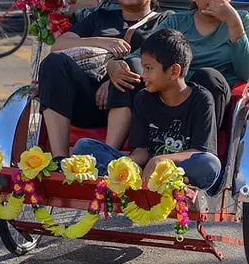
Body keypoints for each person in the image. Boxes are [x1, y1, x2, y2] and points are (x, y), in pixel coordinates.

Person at [108, 0, 249, 135]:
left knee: (207, 76)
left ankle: (197, 148)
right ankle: (118, 147)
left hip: (215, 101)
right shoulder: (177, 22)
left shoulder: (243, 21)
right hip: (170, 95)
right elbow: (142, 55)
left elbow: (248, 72)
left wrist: (233, 23)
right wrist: (115, 65)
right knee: (131, 69)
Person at [38, 0, 167, 158]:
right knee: (54, 63)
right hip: (89, 101)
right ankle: (59, 158)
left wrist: (113, 72)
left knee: (129, 67)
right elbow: (59, 45)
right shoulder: (101, 16)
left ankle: (108, 158)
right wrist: (101, 41)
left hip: (138, 105)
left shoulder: (165, 21)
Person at [73, 29, 222, 190]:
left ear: (174, 71)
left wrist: (161, 160)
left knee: (210, 163)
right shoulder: (144, 98)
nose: (143, 75)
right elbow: (142, 150)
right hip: (145, 169)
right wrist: (127, 166)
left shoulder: (201, 99)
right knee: (83, 147)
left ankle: (173, 183)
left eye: (149, 68)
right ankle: (128, 181)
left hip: (178, 168)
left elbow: (199, 151)